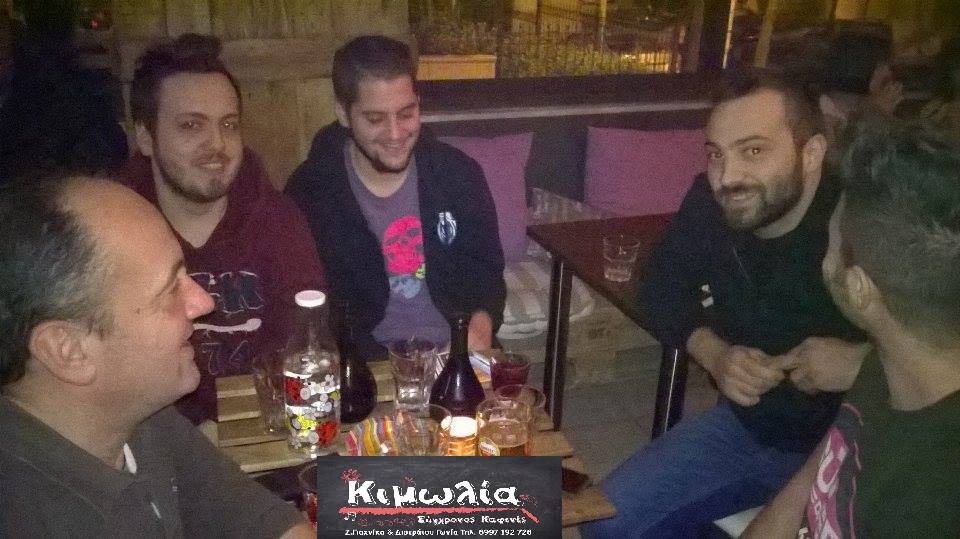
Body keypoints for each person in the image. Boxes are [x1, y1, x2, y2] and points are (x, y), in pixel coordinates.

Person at [584, 72, 869, 537]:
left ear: (812, 153)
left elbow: (943, 353)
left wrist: (860, 363)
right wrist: (713, 352)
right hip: (747, 430)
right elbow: (658, 284)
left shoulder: (865, 222)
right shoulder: (710, 203)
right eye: (716, 154)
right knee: (603, 522)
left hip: (857, 447)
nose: (728, 177)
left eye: (753, 151)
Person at [0, 174, 314, 538]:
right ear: (68, 351)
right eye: (170, 291)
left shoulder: (138, 417)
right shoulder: (30, 517)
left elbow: (268, 523)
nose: (204, 302)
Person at [744, 119, 960, 537]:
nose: (823, 256)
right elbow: (813, 480)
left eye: (830, 242)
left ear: (859, 288)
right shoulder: (894, 356)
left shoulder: (932, 503)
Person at [119, 34, 325, 424]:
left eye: (228, 125)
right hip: (161, 437)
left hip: (269, 424)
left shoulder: (277, 219)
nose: (217, 143)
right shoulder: (116, 234)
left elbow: (304, 340)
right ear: (145, 137)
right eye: (191, 126)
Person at [286, 35, 505, 361]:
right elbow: (304, 305)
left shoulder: (459, 175)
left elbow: (487, 274)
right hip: (363, 365)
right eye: (375, 119)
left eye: (406, 113)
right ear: (344, 114)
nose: (395, 134)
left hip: (455, 354)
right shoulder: (311, 190)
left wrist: (479, 328)